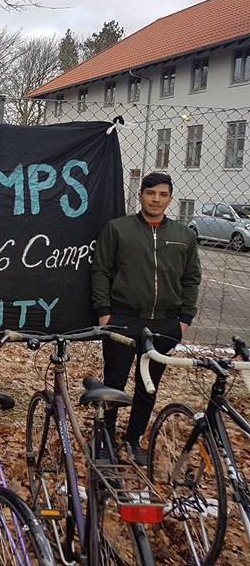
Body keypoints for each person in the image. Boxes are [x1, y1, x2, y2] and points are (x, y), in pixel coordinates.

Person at [91, 171, 201, 465]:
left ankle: (133, 439)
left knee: (148, 385)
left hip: (165, 323)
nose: (156, 199)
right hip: (124, 319)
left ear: (170, 198)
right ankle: (104, 440)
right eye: (151, 193)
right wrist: (105, 314)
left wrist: (184, 319)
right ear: (141, 195)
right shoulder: (118, 229)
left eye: (163, 194)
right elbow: (100, 271)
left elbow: (191, 279)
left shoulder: (184, 236)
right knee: (114, 382)